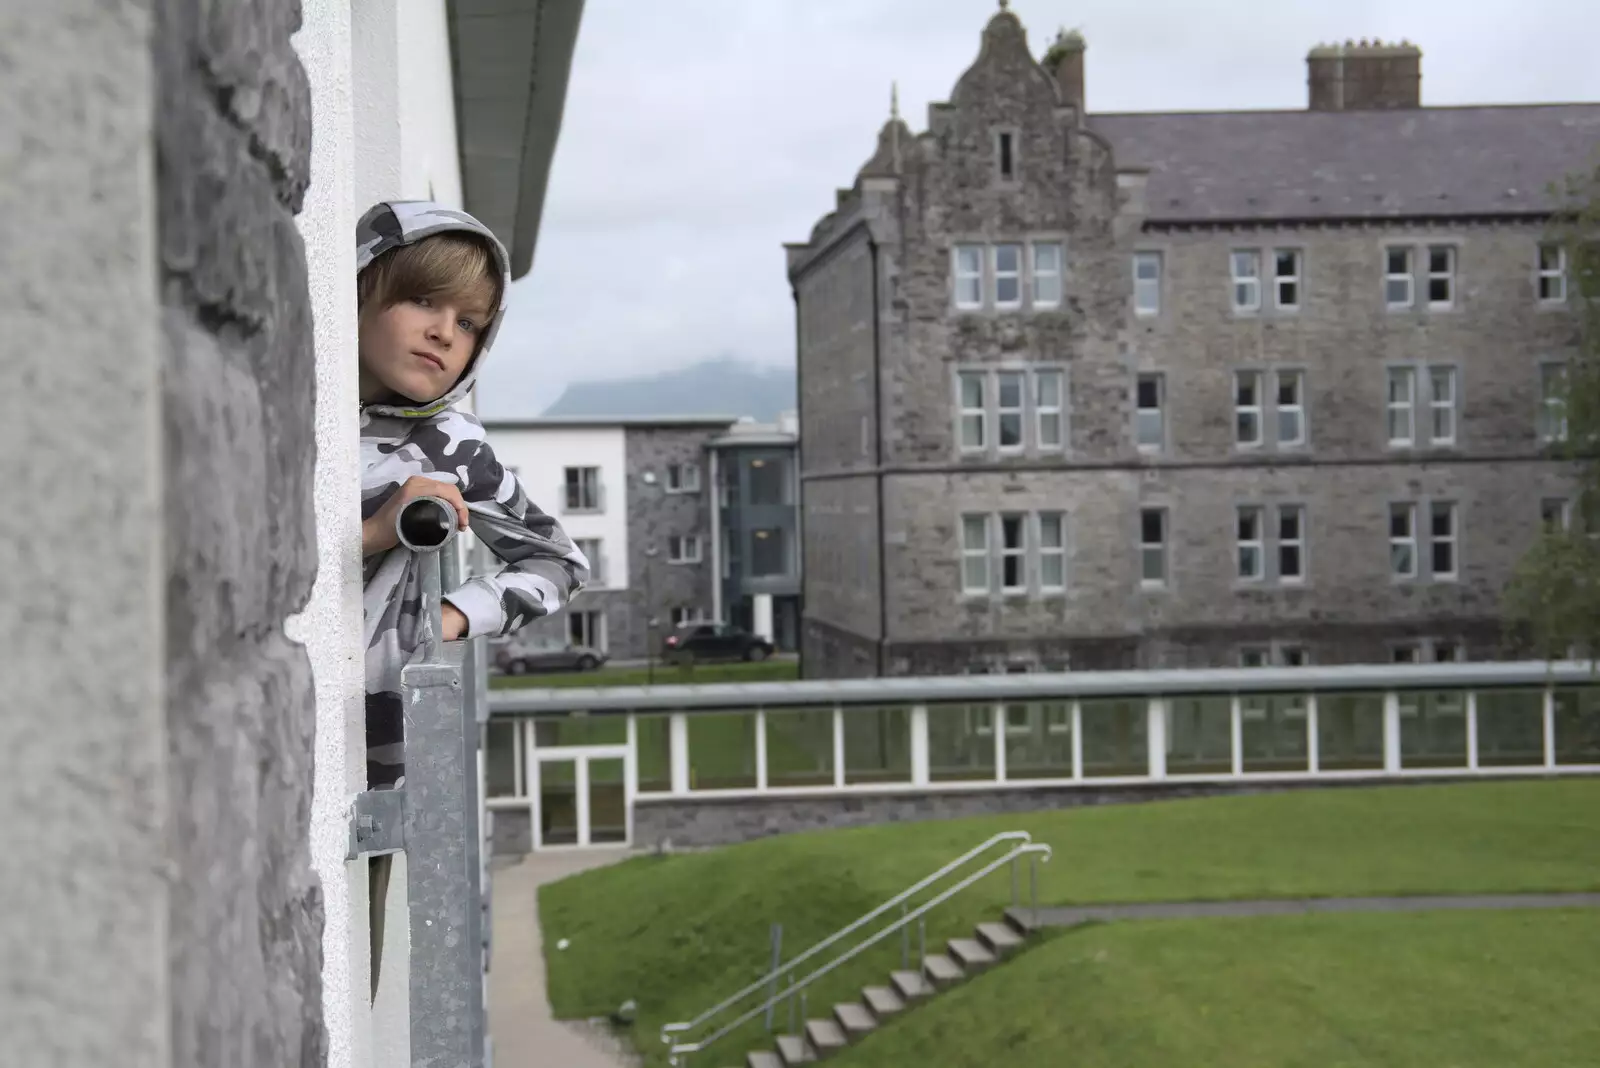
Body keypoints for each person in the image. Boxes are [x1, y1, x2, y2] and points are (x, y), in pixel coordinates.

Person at [356, 200, 589, 996]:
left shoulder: (452, 445)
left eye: (471, 323)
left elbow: (557, 562)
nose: (444, 333)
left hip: (373, 757)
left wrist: (450, 615)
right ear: (359, 285)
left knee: (346, 974)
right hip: (252, 724)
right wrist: (377, 530)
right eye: (423, 300)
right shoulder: (285, 412)